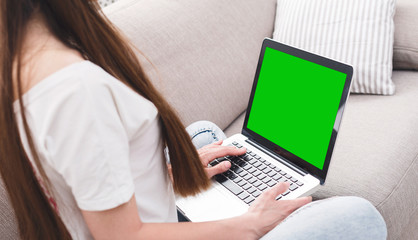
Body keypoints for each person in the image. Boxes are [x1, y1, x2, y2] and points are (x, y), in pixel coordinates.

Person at [0, 0, 387, 239]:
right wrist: (251, 223)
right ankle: (245, 204)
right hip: (148, 232)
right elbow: (123, 237)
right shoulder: (76, 89)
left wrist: (167, 174)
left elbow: (78, 184)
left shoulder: (18, 71)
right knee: (359, 216)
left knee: (205, 135)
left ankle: (230, 192)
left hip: (129, 218)